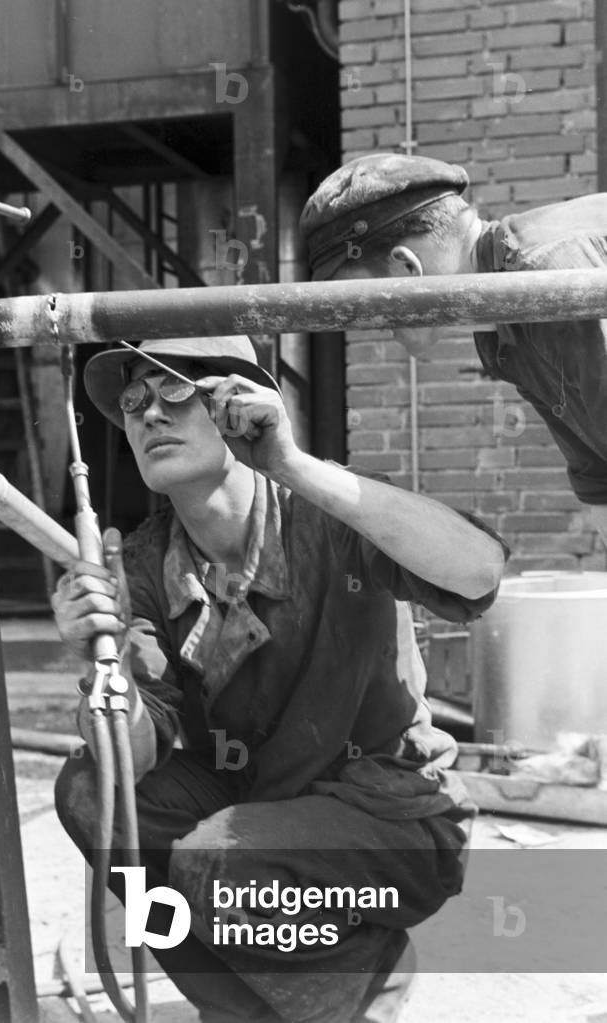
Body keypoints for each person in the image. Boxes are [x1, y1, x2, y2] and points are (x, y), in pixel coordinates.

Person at [51, 334, 507, 1023]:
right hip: (255, 800)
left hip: (390, 819)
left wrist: (291, 463)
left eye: (175, 390)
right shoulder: (143, 565)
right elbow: (133, 751)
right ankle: (252, 1005)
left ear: (237, 403)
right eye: (133, 401)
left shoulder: (331, 516)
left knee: (218, 861)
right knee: (90, 790)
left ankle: (358, 972)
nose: (148, 414)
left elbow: (478, 573)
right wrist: (98, 658)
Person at [300, 152, 607, 551]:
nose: (364, 325)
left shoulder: (550, 279)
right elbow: (598, 477)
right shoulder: (500, 337)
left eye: (361, 304)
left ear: (406, 269)